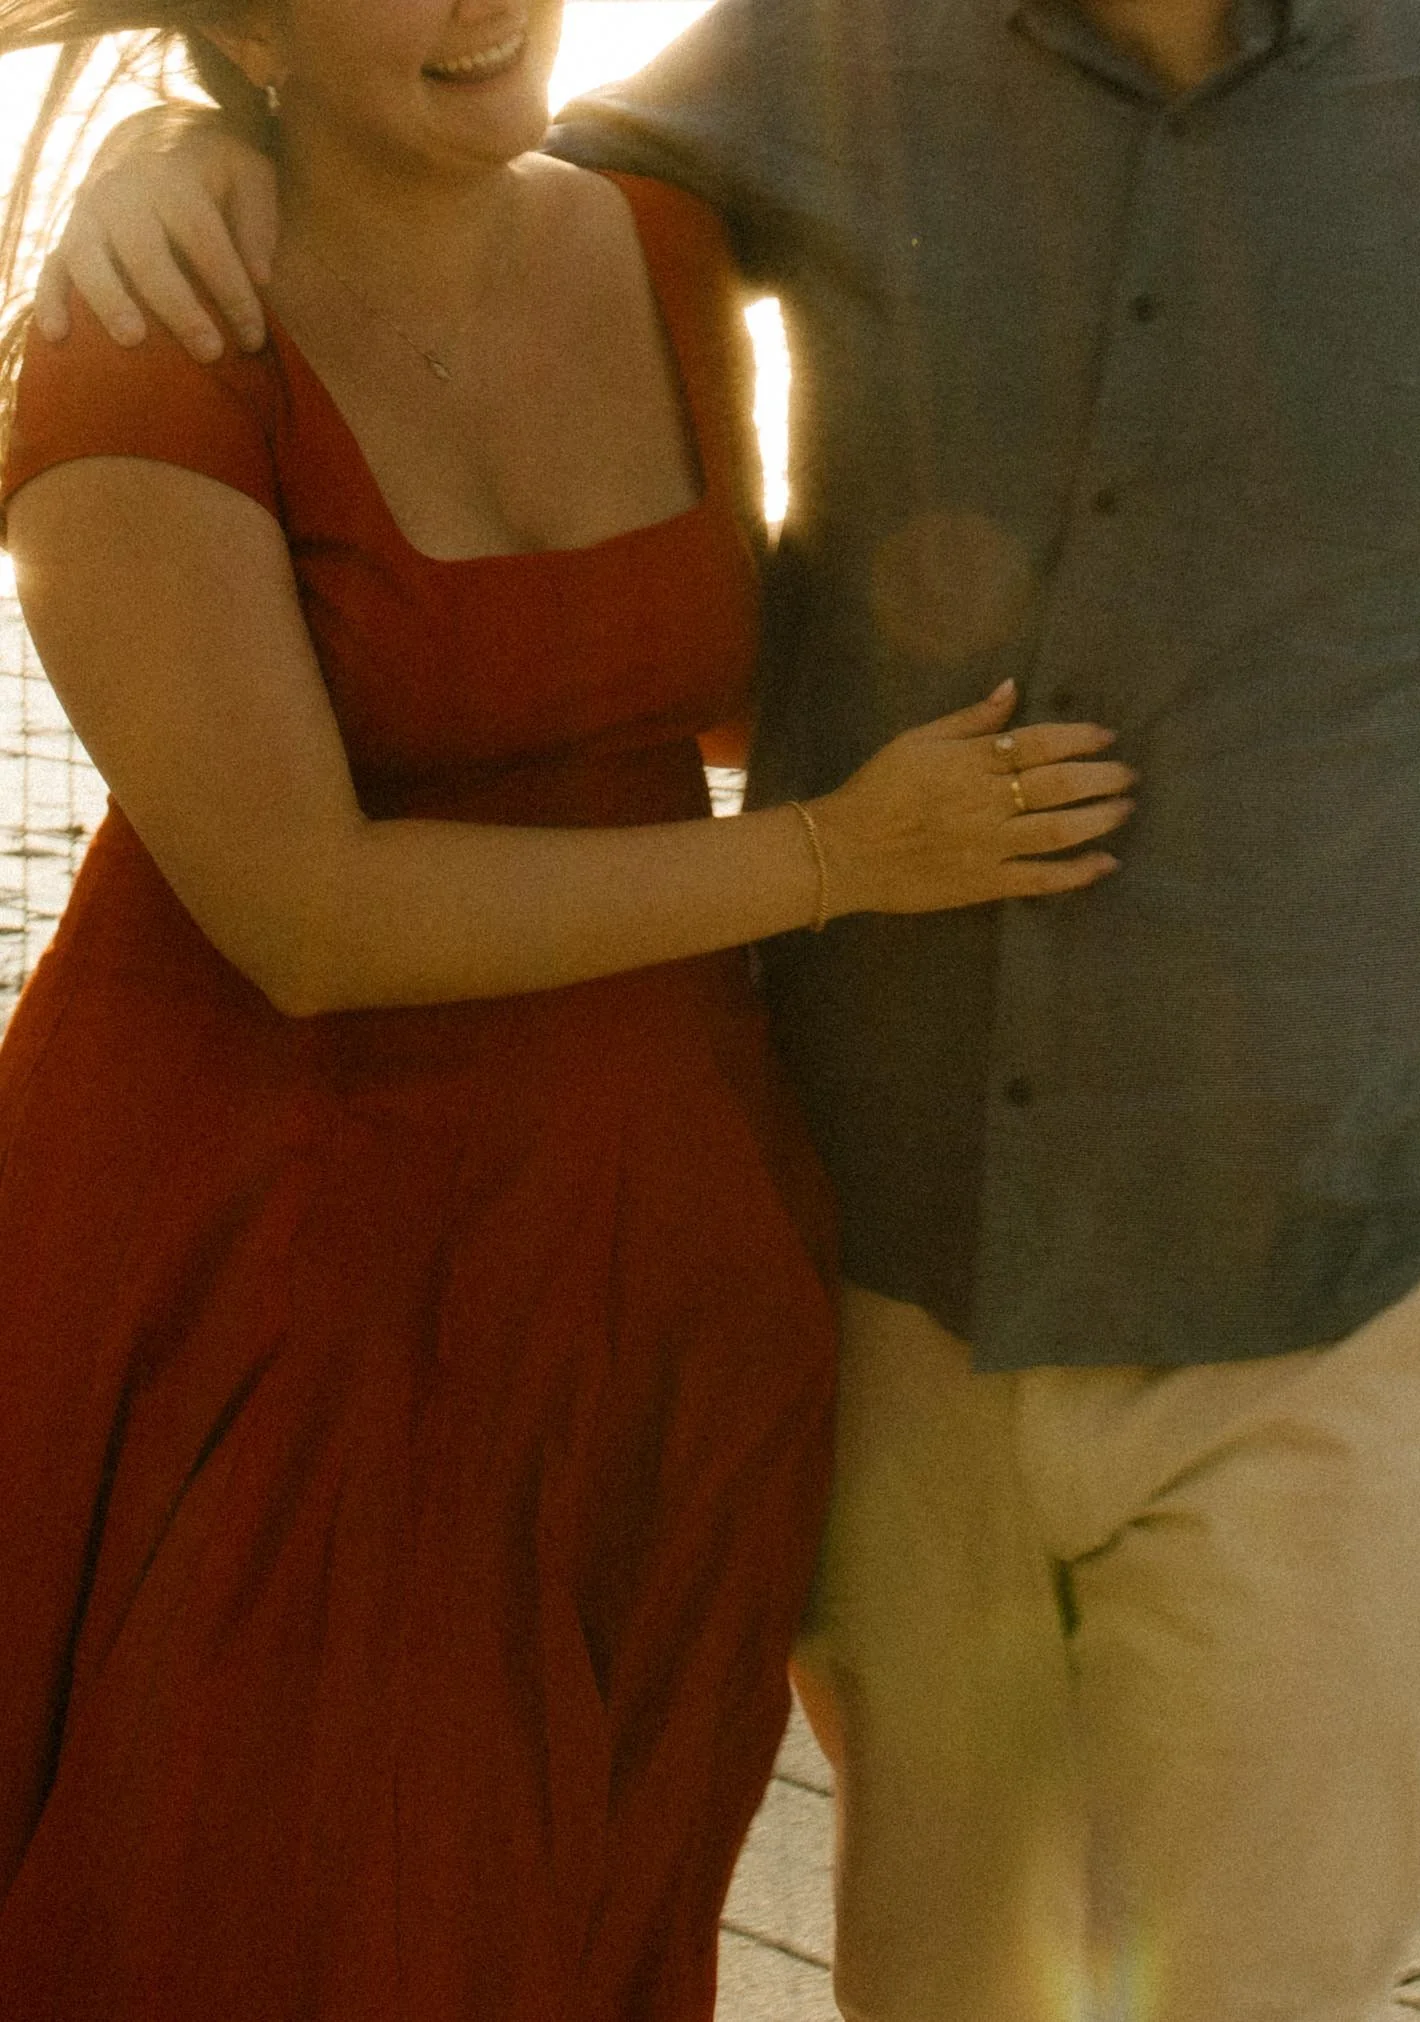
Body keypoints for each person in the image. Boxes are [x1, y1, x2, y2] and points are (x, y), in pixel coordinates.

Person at [37, 0, 1420, 2016]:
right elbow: (445, 164)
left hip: (1240, 1247)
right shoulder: (814, 69)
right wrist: (180, 147)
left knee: (1206, 1976)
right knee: (836, 1969)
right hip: (666, 1265)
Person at [0, 3, 1139, 2017]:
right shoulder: (131, 352)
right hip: (291, 1267)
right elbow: (303, 916)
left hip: (672, 1257)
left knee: (593, 1918)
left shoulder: (659, 241)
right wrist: (841, 858)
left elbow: (715, 674)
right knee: (312, 1922)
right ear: (250, 20)